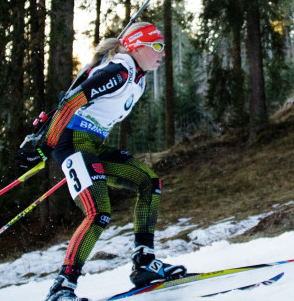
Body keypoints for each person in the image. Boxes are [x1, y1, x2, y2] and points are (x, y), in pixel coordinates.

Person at [23, 22, 186, 301]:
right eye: (157, 46)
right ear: (136, 46)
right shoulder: (120, 71)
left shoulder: (138, 78)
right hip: (72, 141)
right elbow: (72, 102)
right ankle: (62, 287)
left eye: (164, 47)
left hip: (92, 143)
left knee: (149, 182)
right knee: (98, 212)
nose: (162, 52)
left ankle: (144, 262)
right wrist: (45, 145)